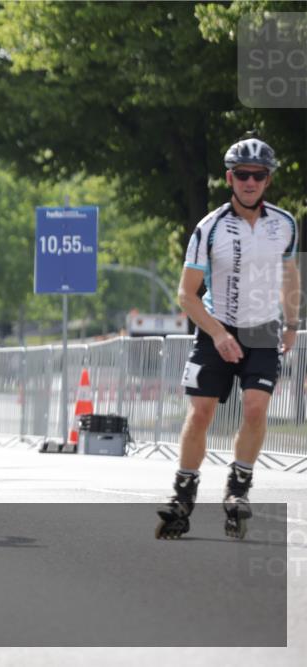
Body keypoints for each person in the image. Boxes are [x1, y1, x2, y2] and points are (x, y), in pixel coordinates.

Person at [156, 136, 300, 540]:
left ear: (268, 180)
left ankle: (238, 489)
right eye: (242, 175)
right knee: (201, 412)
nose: (249, 182)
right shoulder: (210, 227)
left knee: (255, 408)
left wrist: (291, 323)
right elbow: (186, 294)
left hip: (262, 329)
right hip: (217, 325)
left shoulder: (284, 224)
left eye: (257, 175)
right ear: (229, 178)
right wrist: (218, 334)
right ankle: (183, 494)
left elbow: (290, 275)